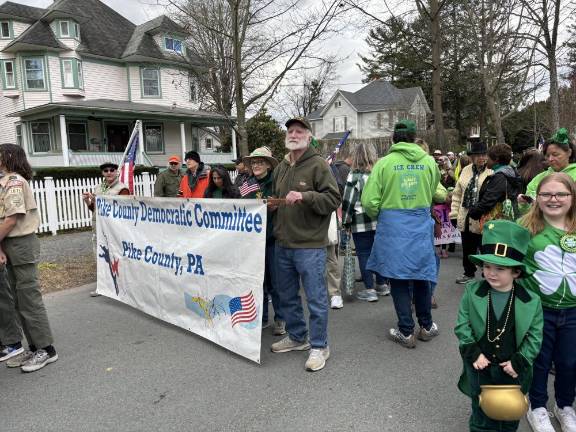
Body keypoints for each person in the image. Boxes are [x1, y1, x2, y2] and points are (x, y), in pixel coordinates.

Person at [455, 220, 543, 432]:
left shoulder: (531, 300)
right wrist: (473, 353)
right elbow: (462, 325)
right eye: (486, 267)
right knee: (481, 410)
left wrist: (520, 361)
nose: (491, 273)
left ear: (516, 272)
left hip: (513, 369)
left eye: (500, 268)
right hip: (480, 366)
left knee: (509, 414)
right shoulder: (472, 292)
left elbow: (535, 335)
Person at [361, 120, 440, 349]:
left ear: (394, 139)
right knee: (421, 275)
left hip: (393, 227)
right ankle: (426, 325)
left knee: (398, 278)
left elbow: (369, 201)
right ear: (415, 139)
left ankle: (406, 331)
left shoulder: (384, 164)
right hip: (420, 225)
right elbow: (434, 190)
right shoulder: (429, 162)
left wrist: (384, 214)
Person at [270, 116, 340, 372]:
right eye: (290, 130)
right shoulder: (282, 166)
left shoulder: (318, 165)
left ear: (309, 136)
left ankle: (320, 346)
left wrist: (305, 196)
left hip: (309, 245)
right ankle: (298, 337)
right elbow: (281, 199)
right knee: (287, 295)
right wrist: (271, 204)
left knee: (316, 298)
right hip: (283, 244)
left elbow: (333, 198)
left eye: (300, 131)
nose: (294, 134)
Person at [518, 172, 576, 432]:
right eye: (547, 194)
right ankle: (537, 406)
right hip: (538, 310)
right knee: (539, 360)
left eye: (561, 194)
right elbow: (507, 265)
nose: (554, 199)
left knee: (568, 361)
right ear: (537, 198)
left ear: (572, 197)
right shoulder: (525, 228)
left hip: (573, 312)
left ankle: (564, 406)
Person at [0, 144, 60, 372]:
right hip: (10, 243)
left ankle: (47, 349)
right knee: (17, 299)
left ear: (8, 157)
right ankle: (34, 347)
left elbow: (11, 220)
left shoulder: (14, 182)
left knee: (29, 299)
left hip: (21, 244)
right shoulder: (6, 181)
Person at [240, 147, 286, 336]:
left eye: (260, 161)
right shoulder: (246, 184)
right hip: (253, 242)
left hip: (272, 239)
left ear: (268, 164)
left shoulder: (276, 182)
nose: (256, 165)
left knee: (275, 282)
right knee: (258, 282)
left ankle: (281, 319)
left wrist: (276, 205)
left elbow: (283, 204)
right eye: (254, 162)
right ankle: (262, 318)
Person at [342, 142, 389, 302]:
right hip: (379, 219)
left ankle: (369, 289)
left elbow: (348, 201)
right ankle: (382, 285)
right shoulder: (378, 174)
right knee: (380, 252)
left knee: (364, 254)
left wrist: (345, 223)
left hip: (360, 221)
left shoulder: (353, 175)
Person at [83, 162, 129, 297]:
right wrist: (88, 201)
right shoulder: (98, 188)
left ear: (116, 172)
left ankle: (121, 286)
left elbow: (124, 210)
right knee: (100, 256)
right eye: (105, 171)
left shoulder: (122, 189)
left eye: (112, 170)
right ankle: (103, 286)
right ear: (102, 173)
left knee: (116, 255)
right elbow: (94, 209)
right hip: (99, 227)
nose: (109, 173)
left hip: (114, 228)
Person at [450, 141, 494, 284]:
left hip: (483, 216)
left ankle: (487, 273)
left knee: (485, 246)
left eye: (484, 154)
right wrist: (454, 214)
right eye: (478, 155)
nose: (481, 157)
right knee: (468, 246)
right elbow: (457, 194)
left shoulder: (492, 171)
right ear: (472, 157)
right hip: (466, 213)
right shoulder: (466, 170)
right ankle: (468, 273)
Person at [519, 128, 576, 210]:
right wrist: (524, 204)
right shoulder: (539, 179)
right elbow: (527, 212)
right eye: (547, 155)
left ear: (569, 153)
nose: (550, 159)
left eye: (555, 154)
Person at [467, 144, 522, 227]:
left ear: (496, 159)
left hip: (496, 224)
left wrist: (472, 213)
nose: (486, 159)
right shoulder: (510, 171)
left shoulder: (500, 176)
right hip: (505, 223)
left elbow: (488, 200)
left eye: (488, 157)